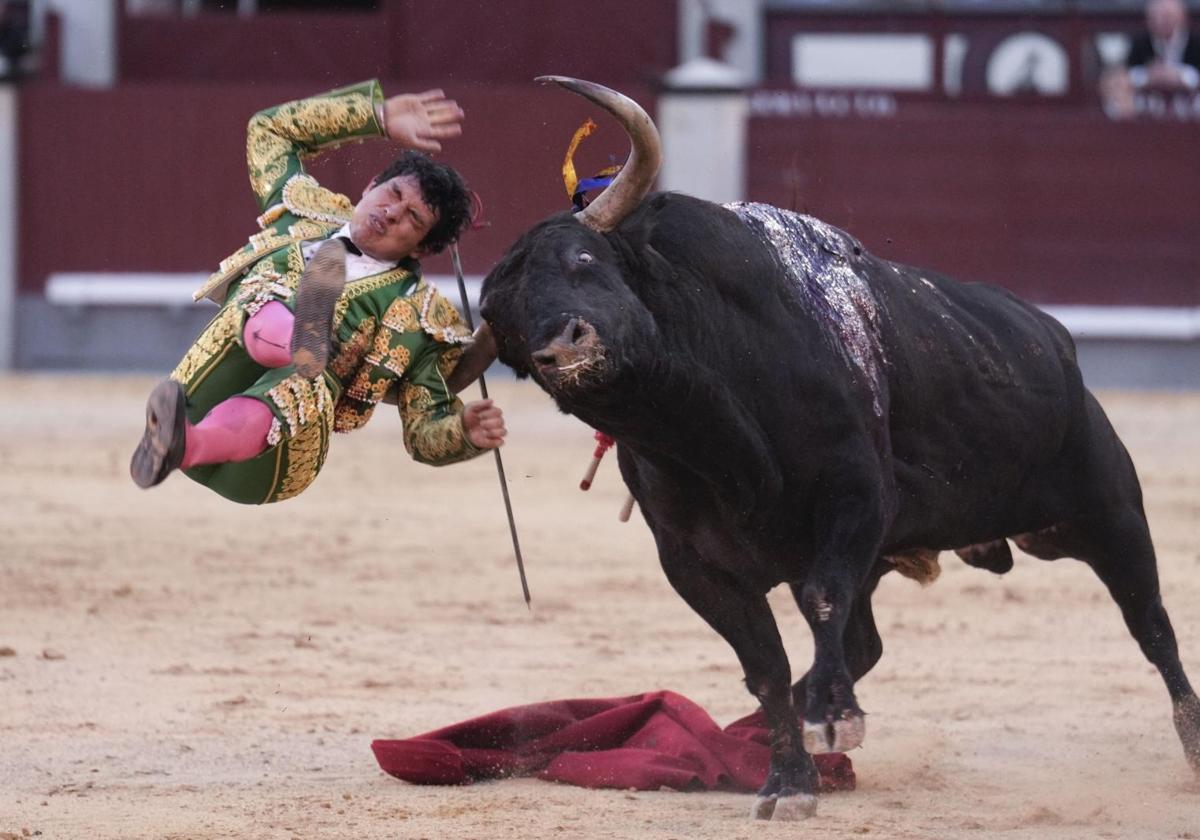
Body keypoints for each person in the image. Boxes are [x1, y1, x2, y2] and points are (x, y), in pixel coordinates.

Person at [130, 79, 506, 504]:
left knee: (309, 376)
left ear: (420, 248)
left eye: (413, 219)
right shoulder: (303, 209)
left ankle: (297, 353)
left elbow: (424, 429)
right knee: (269, 292)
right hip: (198, 398)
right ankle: (190, 436)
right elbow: (269, 130)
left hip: (271, 463)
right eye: (393, 193)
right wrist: (375, 116)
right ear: (369, 186)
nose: (392, 212)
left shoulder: (421, 317)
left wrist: (463, 434)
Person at [1126, 0, 1200, 90]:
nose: (1164, 21)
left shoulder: (1196, 42)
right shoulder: (1139, 42)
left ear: (1182, 18)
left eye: (1168, 16)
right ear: (1149, 20)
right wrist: (1149, 75)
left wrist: (1180, 76)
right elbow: (1128, 74)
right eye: (1158, 17)